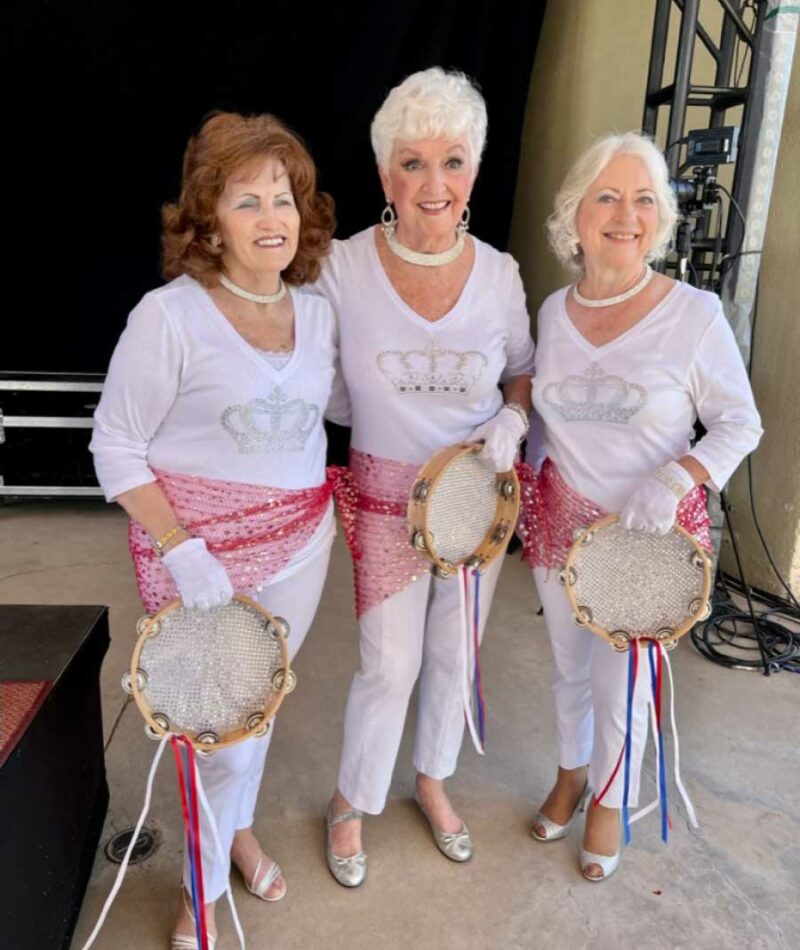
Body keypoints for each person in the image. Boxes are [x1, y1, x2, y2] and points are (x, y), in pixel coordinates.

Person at [90, 111, 347, 947]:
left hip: (302, 547)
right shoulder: (169, 318)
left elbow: (332, 415)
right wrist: (181, 546)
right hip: (196, 559)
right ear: (206, 219)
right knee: (215, 728)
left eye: (284, 198)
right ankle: (200, 889)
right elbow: (115, 447)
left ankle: (233, 833)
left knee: (257, 708)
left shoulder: (319, 312)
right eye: (246, 202)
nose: (272, 218)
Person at [520, 131, 762, 882]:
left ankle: (609, 800)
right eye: (608, 196)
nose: (626, 215)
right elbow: (544, 419)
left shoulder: (693, 315)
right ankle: (570, 772)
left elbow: (739, 422)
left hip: (647, 540)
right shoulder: (553, 311)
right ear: (576, 215)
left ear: (661, 220)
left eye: (645, 200)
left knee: (618, 682)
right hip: (560, 523)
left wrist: (680, 476)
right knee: (566, 667)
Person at [315, 67, 536, 886]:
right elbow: (303, 369)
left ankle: (433, 781)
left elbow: (521, 372)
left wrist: (513, 418)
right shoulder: (340, 270)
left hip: (477, 496)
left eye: (452, 161)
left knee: (455, 654)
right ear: (384, 176)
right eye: (412, 162)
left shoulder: (501, 274)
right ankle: (351, 797)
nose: (433, 183)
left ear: (474, 171)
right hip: (381, 493)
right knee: (390, 662)